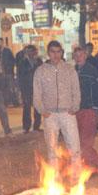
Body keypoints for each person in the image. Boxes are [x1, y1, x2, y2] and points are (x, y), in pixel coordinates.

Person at [33, 40, 81, 170]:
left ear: (62, 52)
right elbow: (37, 93)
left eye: (58, 52)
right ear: (48, 53)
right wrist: (42, 110)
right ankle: (54, 182)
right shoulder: (40, 71)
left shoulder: (69, 70)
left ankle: (76, 181)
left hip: (67, 113)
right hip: (50, 115)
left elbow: (76, 90)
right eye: (53, 52)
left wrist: (75, 106)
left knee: (75, 148)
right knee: (52, 150)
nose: (56, 55)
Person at [74, 46, 98, 172]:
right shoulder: (73, 71)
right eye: (76, 55)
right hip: (76, 110)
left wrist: (97, 108)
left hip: (89, 110)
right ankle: (96, 160)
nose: (78, 58)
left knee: (86, 140)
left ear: (86, 55)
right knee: (78, 140)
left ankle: (91, 167)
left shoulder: (92, 71)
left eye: (81, 55)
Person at [17, 45, 43, 133]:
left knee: (37, 107)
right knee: (27, 108)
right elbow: (20, 76)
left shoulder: (38, 62)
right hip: (26, 87)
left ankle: (36, 126)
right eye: (28, 51)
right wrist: (20, 88)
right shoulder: (22, 62)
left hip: (37, 87)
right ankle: (26, 126)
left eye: (32, 51)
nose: (30, 53)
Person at [0, 39, 19, 106]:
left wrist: (9, 67)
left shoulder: (7, 51)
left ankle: (15, 102)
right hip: (1, 73)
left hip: (8, 72)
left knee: (11, 87)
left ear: (3, 43)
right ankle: (5, 102)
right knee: (3, 88)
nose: (0, 44)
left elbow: (13, 60)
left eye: (1, 43)